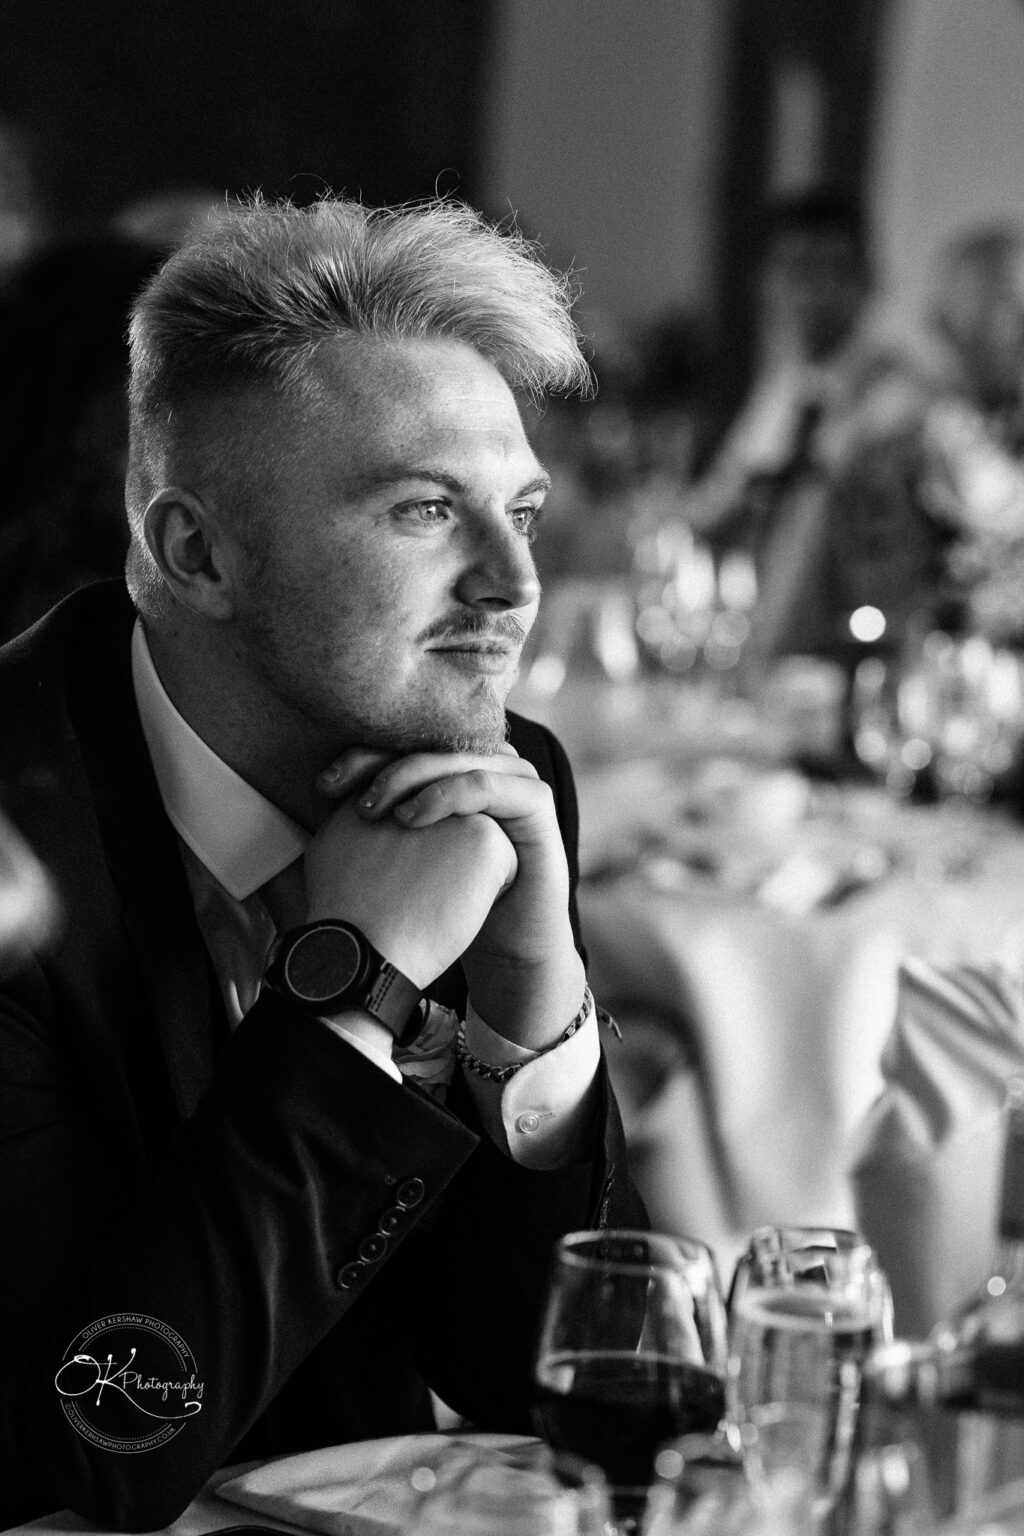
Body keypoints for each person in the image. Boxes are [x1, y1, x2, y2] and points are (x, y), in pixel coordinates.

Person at [0, 195, 645, 1529]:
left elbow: (535, 1382)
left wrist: (531, 1007)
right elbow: (98, 1436)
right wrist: (349, 994)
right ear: (197, 552)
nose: (515, 585)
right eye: (425, 513)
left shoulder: (489, 787)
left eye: (521, 510)